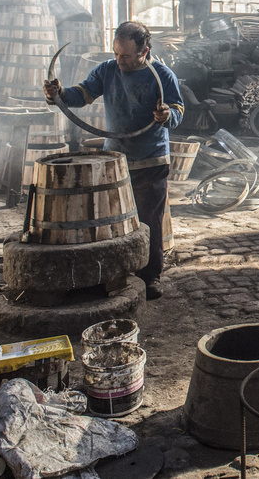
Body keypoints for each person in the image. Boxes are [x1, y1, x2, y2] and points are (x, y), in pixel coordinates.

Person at [44, 21, 184, 300]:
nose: (119, 60)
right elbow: (82, 94)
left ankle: (150, 276)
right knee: (110, 220)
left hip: (150, 160)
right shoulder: (107, 70)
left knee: (149, 221)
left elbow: (178, 111)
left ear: (145, 52)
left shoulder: (162, 75)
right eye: (116, 53)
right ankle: (113, 272)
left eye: (126, 56)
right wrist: (59, 94)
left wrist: (166, 115)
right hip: (115, 160)